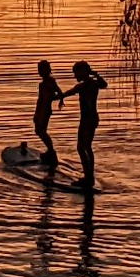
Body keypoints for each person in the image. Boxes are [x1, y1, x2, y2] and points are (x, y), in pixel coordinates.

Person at [61, 60, 108, 192]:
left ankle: (88, 178)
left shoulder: (83, 86)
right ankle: (89, 176)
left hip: (87, 120)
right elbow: (104, 84)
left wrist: (55, 97)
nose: (75, 76)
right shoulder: (94, 84)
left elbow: (67, 93)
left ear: (82, 72)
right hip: (93, 119)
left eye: (76, 73)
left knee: (82, 147)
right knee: (87, 147)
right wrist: (95, 74)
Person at [32, 60, 66, 166]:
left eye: (42, 69)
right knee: (39, 130)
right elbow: (40, 99)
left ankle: (51, 151)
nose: (40, 72)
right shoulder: (42, 84)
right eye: (39, 70)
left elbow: (57, 92)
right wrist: (36, 113)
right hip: (41, 109)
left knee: (41, 131)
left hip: (46, 110)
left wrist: (59, 99)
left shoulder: (50, 82)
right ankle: (50, 150)